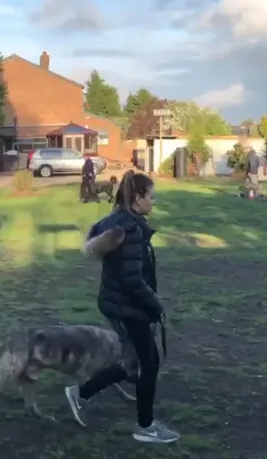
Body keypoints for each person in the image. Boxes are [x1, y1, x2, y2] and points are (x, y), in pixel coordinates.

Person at [65, 171, 179, 444]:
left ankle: (81, 394)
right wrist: (155, 306)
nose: (154, 202)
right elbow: (132, 280)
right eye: (151, 197)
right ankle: (146, 427)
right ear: (138, 199)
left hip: (117, 304)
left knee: (132, 361)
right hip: (129, 308)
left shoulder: (119, 221)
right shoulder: (131, 230)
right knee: (148, 362)